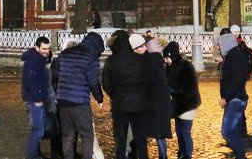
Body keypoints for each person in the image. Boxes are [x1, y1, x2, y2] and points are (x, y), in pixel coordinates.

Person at [53, 31, 105, 159]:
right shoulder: (91, 57)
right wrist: (99, 98)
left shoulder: (65, 53)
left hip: (62, 100)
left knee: (67, 135)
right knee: (87, 134)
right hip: (79, 101)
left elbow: (55, 74)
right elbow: (93, 81)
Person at [103, 31, 151, 159]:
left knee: (121, 140)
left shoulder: (112, 60)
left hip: (120, 105)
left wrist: (114, 95)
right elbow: (148, 80)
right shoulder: (140, 59)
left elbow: (105, 83)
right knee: (141, 139)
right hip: (140, 105)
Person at [162, 41, 200, 159]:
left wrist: (171, 90)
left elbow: (188, 89)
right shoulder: (171, 67)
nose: (165, 60)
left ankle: (187, 155)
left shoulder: (185, 67)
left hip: (188, 104)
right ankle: (182, 153)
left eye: (167, 58)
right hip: (178, 105)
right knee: (179, 133)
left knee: (185, 133)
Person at [218, 32, 252, 159]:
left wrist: (225, 97)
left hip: (235, 100)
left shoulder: (235, 57)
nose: (219, 48)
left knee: (227, 132)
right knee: (235, 133)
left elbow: (237, 80)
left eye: (220, 45)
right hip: (234, 99)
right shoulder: (233, 56)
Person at [22, 36, 53, 159]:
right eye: (44, 48)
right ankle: (32, 155)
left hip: (37, 99)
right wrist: (38, 98)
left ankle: (35, 153)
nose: (47, 51)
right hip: (35, 100)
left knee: (38, 129)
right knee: (37, 130)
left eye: (48, 48)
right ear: (37, 47)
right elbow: (30, 81)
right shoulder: (33, 61)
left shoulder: (38, 58)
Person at [144, 40, 173, 159]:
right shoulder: (161, 62)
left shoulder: (148, 62)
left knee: (149, 131)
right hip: (163, 101)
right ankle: (163, 156)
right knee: (160, 133)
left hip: (151, 101)